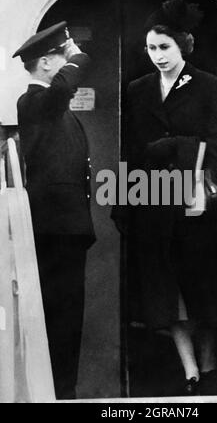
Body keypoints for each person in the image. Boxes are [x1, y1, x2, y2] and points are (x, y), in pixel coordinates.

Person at [112, 0, 217, 396]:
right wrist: (123, 199)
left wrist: (177, 145)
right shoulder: (137, 89)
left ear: (183, 45)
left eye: (164, 47)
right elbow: (129, 148)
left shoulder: (208, 85)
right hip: (154, 203)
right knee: (170, 296)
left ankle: (211, 361)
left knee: (202, 292)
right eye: (151, 48)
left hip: (197, 205)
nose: (158, 56)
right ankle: (191, 373)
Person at [13, 21, 96, 400]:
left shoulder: (56, 110)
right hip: (52, 227)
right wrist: (78, 56)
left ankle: (65, 391)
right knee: (55, 315)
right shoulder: (33, 102)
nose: (68, 62)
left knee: (68, 318)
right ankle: (55, 392)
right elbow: (64, 87)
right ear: (46, 63)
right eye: (61, 56)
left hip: (68, 227)